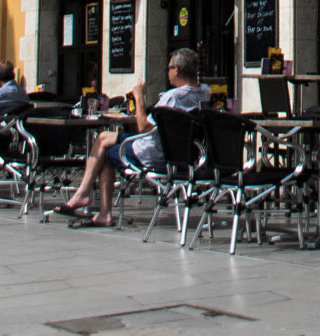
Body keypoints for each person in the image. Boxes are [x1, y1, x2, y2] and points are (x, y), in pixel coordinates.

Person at [56, 48, 208, 227]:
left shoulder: (172, 98)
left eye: (169, 68)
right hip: (183, 155)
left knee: (106, 151)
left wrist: (139, 98)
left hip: (152, 153)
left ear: (177, 70)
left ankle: (97, 207)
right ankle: (84, 195)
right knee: (104, 137)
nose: (167, 72)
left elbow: (143, 127)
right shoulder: (205, 93)